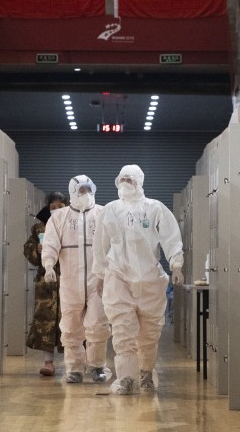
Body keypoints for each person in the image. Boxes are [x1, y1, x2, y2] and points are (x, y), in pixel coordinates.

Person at [92, 164, 184, 395]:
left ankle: (145, 374)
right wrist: (100, 275)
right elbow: (100, 245)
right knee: (122, 330)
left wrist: (176, 265)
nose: (125, 183)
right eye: (122, 179)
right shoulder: (110, 210)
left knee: (149, 332)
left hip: (149, 279)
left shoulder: (155, 208)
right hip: (118, 277)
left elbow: (171, 237)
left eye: (129, 179)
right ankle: (126, 378)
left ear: (139, 181)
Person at [41, 175, 113, 384]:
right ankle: (74, 368)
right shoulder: (59, 217)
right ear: (72, 192)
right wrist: (48, 265)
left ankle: (98, 366)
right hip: (70, 280)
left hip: (98, 280)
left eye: (88, 190)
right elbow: (51, 244)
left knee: (98, 324)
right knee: (71, 325)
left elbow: (114, 244)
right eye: (81, 190)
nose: (85, 194)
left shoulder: (103, 214)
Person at [24, 191, 66, 376]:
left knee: (72, 321)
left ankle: (77, 362)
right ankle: (48, 362)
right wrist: (38, 250)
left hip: (69, 280)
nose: (57, 210)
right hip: (46, 284)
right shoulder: (40, 227)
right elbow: (28, 250)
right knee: (46, 321)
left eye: (60, 206)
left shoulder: (74, 225)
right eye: (53, 207)